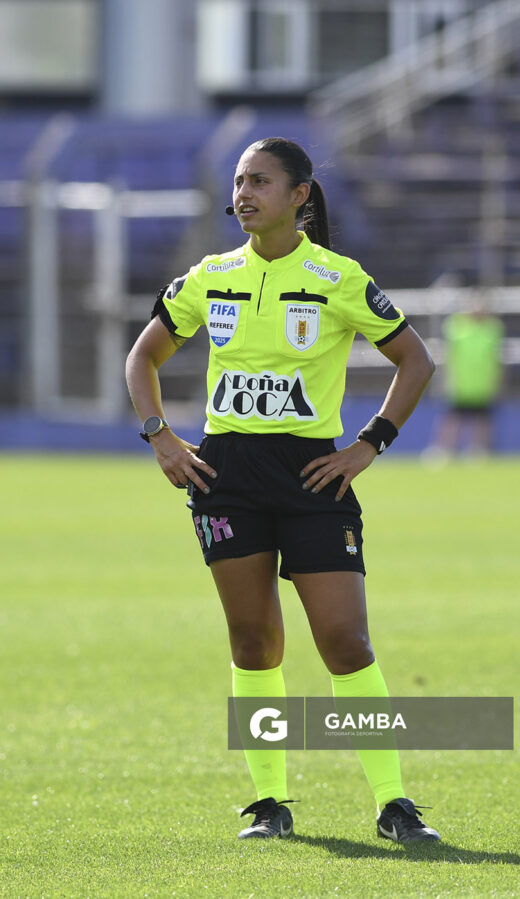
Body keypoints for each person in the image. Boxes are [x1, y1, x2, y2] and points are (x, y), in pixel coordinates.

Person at [126, 137, 440, 843]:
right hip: (227, 476)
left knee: (346, 640)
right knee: (254, 640)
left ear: (299, 195)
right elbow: (142, 355)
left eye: (260, 181)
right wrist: (161, 435)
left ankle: (394, 802)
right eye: (238, 181)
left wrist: (369, 443)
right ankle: (270, 802)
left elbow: (414, 359)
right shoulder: (209, 277)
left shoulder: (337, 277)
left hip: (311, 474)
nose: (244, 193)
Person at [427, 304, 503, 458]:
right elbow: (450, 333)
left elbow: (496, 359)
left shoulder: (491, 331)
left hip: (483, 385)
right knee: (452, 419)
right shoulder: (458, 328)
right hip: (461, 384)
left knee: (482, 420)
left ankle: (479, 451)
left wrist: (496, 383)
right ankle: (444, 450)